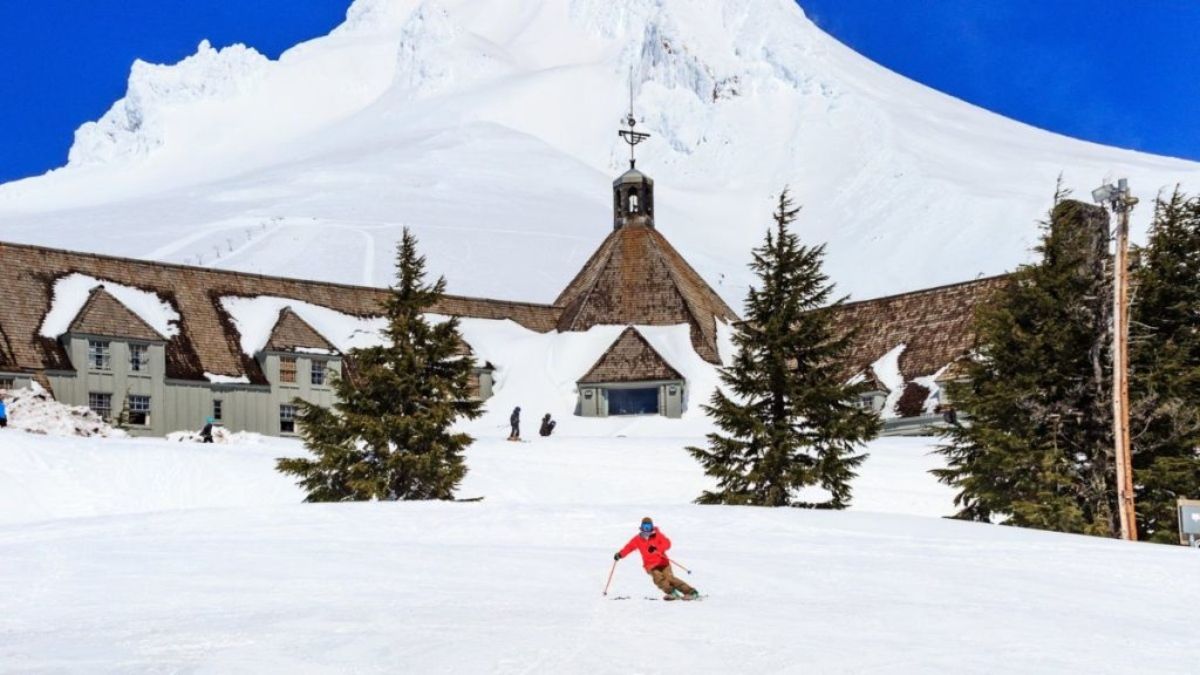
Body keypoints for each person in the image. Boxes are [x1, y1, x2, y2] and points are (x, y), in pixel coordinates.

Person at [614, 517, 700, 601]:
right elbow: (629, 547)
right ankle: (672, 593)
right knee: (658, 579)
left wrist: (656, 548)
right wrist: (620, 554)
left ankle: (691, 592)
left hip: (663, 562)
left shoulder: (657, 535)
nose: (647, 529)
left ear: (652, 526)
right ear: (641, 527)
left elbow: (667, 543)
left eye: (649, 526)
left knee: (670, 579)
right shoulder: (637, 539)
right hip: (650, 565)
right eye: (645, 526)